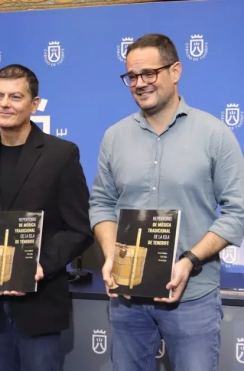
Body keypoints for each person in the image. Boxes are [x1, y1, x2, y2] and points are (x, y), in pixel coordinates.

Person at [89, 33, 244, 371]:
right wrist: (111, 253)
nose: (139, 83)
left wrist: (189, 260)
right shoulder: (114, 136)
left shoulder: (214, 134)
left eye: (149, 73)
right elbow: (101, 202)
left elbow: (238, 212)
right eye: (132, 76)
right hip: (127, 299)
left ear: (175, 71)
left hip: (193, 299)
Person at [0, 64, 94, 370]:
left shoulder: (61, 154)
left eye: (15, 97)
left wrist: (39, 267)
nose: (4, 103)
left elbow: (79, 229)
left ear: (35, 104)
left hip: (38, 303)